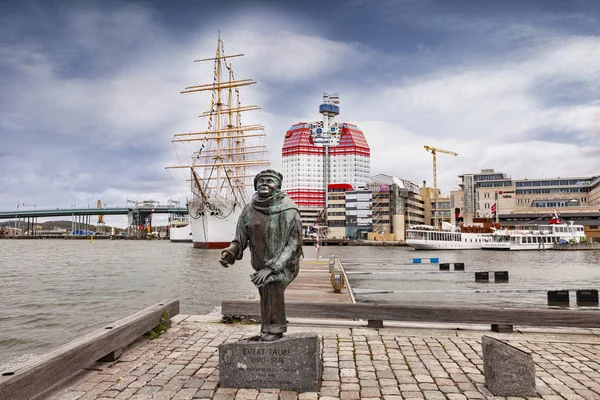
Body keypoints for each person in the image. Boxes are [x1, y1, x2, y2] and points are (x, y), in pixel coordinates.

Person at [220, 169, 303, 341]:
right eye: (261, 181)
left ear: (278, 186)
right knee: (264, 290)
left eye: (269, 181)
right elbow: (240, 239)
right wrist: (231, 252)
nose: (264, 183)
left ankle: (275, 329)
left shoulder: (289, 209)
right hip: (260, 264)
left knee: (273, 284)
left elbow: (294, 244)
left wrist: (273, 267)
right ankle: (266, 330)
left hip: (285, 265)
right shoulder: (248, 210)